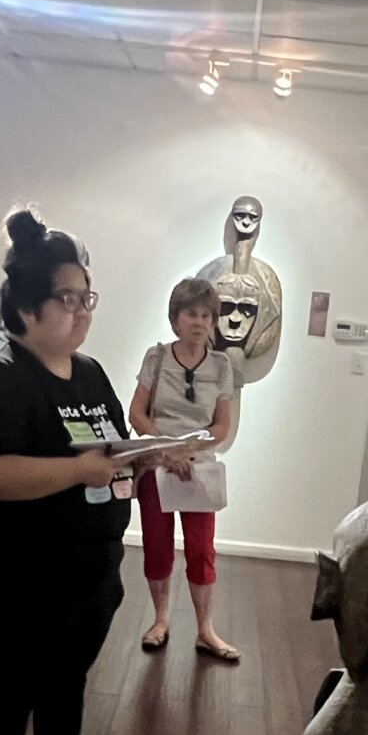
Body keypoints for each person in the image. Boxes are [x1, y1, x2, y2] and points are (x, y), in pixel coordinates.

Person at [0, 209, 144, 735]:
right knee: (11, 692)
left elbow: (109, 451)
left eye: (88, 298)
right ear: (27, 305)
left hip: (89, 568)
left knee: (66, 682)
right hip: (17, 572)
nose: (82, 312)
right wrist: (77, 470)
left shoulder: (88, 373)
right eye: (68, 299)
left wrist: (150, 456)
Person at [129, 275, 239, 663]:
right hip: (156, 465)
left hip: (197, 469)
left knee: (201, 549)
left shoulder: (222, 365)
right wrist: (166, 449)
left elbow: (222, 426)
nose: (199, 321)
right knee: (157, 546)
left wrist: (190, 449)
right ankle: (160, 620)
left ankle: (205, 629)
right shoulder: (156, 357)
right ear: (175, 319)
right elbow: (136, 414)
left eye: (206, 315)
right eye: (191, 313)